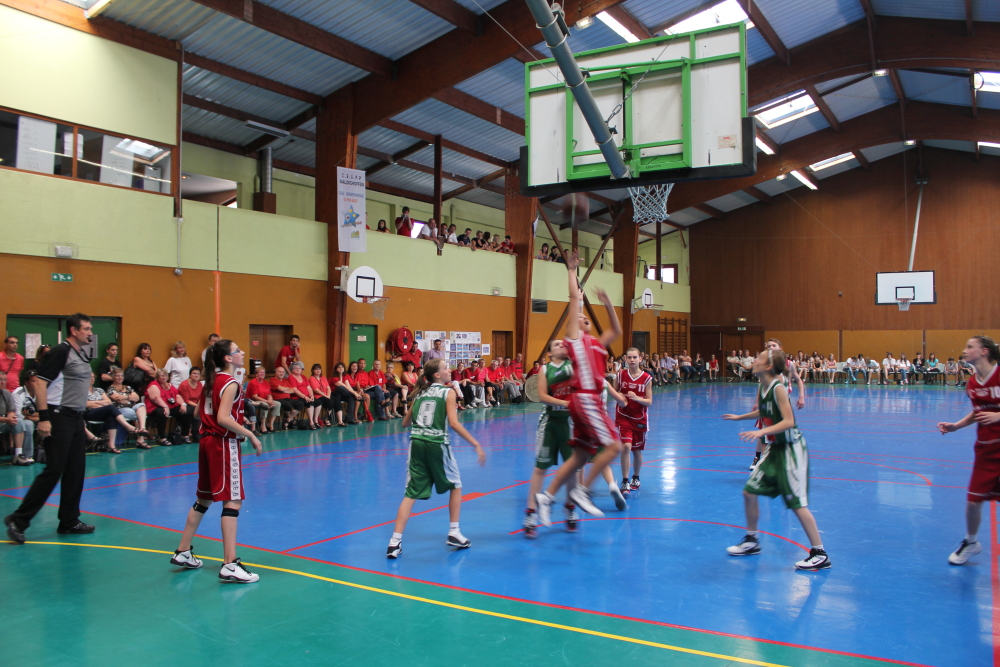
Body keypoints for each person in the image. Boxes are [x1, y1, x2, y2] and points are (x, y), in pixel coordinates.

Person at [535, 250, 625, 524]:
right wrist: (571, 270)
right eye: (581, 317)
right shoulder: (574, 339)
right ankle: (583, 491)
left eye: (586, 317)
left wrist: (609, 303)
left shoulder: (598, 343)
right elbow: (575, 299)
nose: (583, 317)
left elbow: (617, 331)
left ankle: (547, 497)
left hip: (590, 402)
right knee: (615, 447)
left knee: (581, 456)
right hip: (584, 399)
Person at [722, 349, 831, 571]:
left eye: (759, 358)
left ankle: (819, 553)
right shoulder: (762, 386)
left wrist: (760, 433)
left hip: (791, 449)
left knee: (796, 504)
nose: (755, 360)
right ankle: (752, 540)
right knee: (749, 492)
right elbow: (763, 411)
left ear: (768, 366)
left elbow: (789, 421)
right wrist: (740, 417)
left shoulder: (779, 388)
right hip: (775, 448)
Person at [169, 338, 263, 583]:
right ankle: (230, 564)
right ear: (228, 358)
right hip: (223, 444)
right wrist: (250, 433)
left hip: (206, 444)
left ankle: (183, 551)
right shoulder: (230, 382)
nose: (242, 351)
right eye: (237, 350)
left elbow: (200, 413)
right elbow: (222, 417)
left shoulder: (210, 382)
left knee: (203, 499)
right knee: (232, 502)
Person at [5, 314, 98, 544]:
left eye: (90, 328)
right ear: (74, 330)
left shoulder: (80, 353)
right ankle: (18, 520)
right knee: (54, 470)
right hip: (58, 417)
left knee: (76, 470)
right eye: (86, 329)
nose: (90, 332)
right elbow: (40, 382)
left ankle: (69, 520)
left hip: (75, 418)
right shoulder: (61, 351)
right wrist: (44, 418)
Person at [386, 359, 486, 559]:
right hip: (436, 443)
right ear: (437, 375)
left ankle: (394, 542)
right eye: (445, 368)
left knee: (410, 493)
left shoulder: (420, 393)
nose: (449, 370)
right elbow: (455, 424)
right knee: (456, 484)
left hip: (416, 444)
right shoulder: (447, 392)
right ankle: (454, 532)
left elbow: (405, 422)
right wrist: (476, 444)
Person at [937, 336, 1000, 565]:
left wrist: (998, 415)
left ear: (984, 351)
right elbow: (977, 412)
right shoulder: (972, 383)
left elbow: (990, 412)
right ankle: (971, 542)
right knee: (973, 501)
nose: (964, 350)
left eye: (969, 347)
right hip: (985, 451)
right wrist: (956, 426)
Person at [523, 340, 577, 538]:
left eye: (564, 344)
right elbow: (543, 396)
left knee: (572, 469)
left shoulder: (572, 366)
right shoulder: (545, 370)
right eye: (556, 344)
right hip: (550, 422)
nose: (561, 345)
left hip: (570, 422)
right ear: (550, 352)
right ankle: (530, 514)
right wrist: (566, 402)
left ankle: (570, 508)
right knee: (540, 468)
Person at [615, 348, 653, 496]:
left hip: (639, 418)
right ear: (625, 359)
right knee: (626, 446)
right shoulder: (620, 375)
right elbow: (615, 392)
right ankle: (625, 480)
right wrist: (621, 398)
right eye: (629, 357)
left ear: (640, 359)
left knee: (637, 450)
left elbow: (649, 401)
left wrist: (637, 398)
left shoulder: (647, 378)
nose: (632, 360)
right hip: (623, 416)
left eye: (634, 357)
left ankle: (635, 478)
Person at [145, 369, 192, 446]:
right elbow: (155, 398)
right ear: (157, 377)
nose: (164, 377)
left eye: (165, 375)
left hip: (170, 406)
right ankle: (162, 438)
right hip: (155, 407)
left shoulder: (169, 385)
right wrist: (165, 406)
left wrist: (183, 404)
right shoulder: (154, 385)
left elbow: (177, 395)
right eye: (162, 376)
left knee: (187, 411)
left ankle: (184, 435)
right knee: (162, 413)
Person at [107, 367, 150, 448]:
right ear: (113, 377)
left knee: (141, 405)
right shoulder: (110, 389)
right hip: (120, 409)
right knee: (138, 415)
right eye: (117, 376)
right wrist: (129, 397)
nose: (120, 377)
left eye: (121, 375)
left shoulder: (128, 387)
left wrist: (124, 397)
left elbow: (137, 398)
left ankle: (142, 428)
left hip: (131, 407)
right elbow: (119, 400)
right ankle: (141, 440)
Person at [11, 368, 39, 465]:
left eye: (37, 381)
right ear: (26, 382)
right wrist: (35, 417)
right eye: (33, 381)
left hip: (36, 419)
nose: (36, 383)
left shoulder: (41, 391)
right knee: (28, 424)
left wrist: (32, 416)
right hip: (21, 421)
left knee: (55, 420)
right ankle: (27, 455)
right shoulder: (18, 393)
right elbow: (19, 416)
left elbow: (47, 412)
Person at [247, 366, 280, 433]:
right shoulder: (253, 382)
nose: (263, 374)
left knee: (277, 404)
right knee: (264, 405)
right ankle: (262, 425)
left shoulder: (266, 383)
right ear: (256, 374)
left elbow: (269, 394)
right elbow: (254, 397)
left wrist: (270, 400)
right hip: (254, 401)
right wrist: (267, 402)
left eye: (264, 372)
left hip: (265, 400)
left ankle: (270, 424)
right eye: (261, 372)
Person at [286, 361, 318, 429]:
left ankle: (313, 421)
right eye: (296, 368)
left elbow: (309, 387)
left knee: (317, 402)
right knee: (307, 402)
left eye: (299, 368)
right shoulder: (291, 377)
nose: (298, 369)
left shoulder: (303, 377)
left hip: (306, 397)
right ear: (292, 370)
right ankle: (310, 422)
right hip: (297, 397)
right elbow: (295, 390)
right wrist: (305, 396)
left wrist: (311, 395)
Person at [177, 367, 204, 441]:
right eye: (194, 373)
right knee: (191, 410)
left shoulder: (199, 384)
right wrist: (198, 406)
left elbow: (201, 397)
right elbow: (186, 400)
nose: (196, 375)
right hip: (185, 404)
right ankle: (185, 434)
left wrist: (200, 405)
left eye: (198, 374)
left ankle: (198, 434)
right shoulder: (184, 384)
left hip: (196, 404)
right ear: (190, 375)